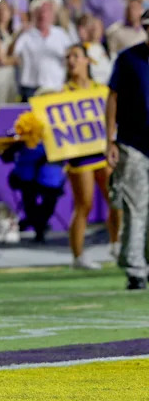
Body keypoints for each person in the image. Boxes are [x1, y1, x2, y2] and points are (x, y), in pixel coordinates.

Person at [62, 44, 119, 270]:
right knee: (84, 203)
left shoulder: (101, 90)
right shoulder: (62, 93)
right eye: (68, 57)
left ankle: (116, 244)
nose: (71, 61)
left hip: (102, 149)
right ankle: (78, 255)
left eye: (76, 56)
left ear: (88, 61)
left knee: (114, 200)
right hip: (79, 153)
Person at [106, 9, 149, 290]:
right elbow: (113, 97)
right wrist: (109, 138)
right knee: (135, 207)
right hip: (133, 141)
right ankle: (135, 267)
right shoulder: (128, 58)